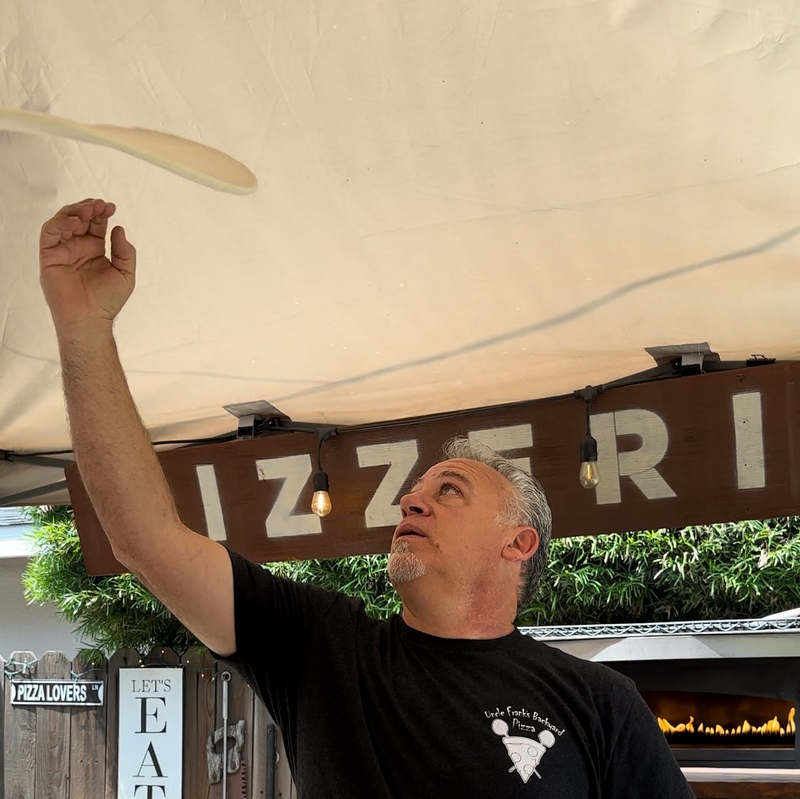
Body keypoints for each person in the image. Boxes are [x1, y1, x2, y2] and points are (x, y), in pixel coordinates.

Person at [39, 198, 694, 798]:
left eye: (449, 490)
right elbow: (144, 537)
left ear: (518, 541)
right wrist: (82, 328)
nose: (410, 502)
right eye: (412, 493)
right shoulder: (323, 649)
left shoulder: (599, 700)